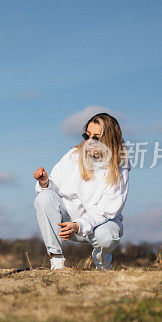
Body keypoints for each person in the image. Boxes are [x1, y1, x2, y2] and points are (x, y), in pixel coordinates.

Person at [33, 112, 130, 271]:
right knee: (44, 197)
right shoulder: (72, 155)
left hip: (98, 224)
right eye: (87, 135)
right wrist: (45, 182)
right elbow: (54, 189)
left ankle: (102, 263)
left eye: (96, 138)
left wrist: (79, 225)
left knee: (107, 236)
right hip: (66, 224)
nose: (90, 141)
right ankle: (57, 261)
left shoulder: (119, 165)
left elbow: (107, 209)